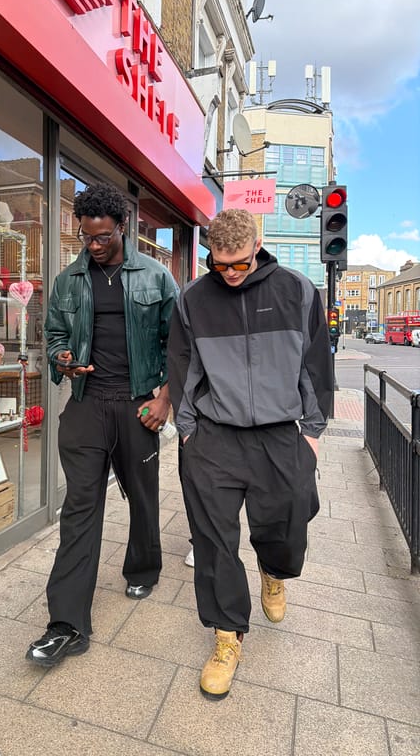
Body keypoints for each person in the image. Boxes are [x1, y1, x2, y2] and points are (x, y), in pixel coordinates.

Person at [168, 208, 332, 701]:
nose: (232, 274)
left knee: (289, 521)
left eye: (240, 263)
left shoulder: (298, 290)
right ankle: (226, 636)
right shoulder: (193, 299)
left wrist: (313, 431)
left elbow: (317, 362)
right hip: (213, 438)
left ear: (257, 246)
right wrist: (188, 429)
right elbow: (180, 362)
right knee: (214, 541)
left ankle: (274, 571)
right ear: (210, 256)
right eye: (221, 265)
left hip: (282, 435)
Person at [26, 182, 178, 667]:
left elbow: (181, 344)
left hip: (138, 405)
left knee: (142, 494)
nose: (93, 246)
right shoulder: (68, 280)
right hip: (87, 405)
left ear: (123, 228)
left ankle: (143, 566)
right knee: (79, 508)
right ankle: (66, 624)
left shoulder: (156, 277)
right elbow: (51, 334)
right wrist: (62, 358)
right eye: (86, 237)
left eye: (102, 237)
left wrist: (166, 400)